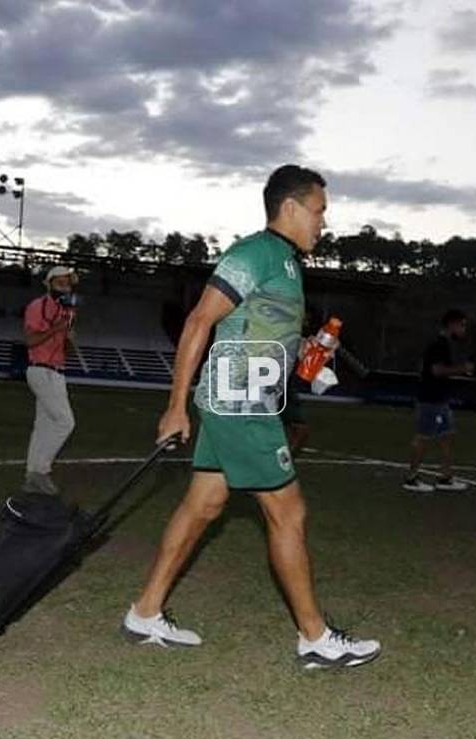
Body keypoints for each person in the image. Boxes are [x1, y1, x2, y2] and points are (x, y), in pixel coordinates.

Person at [122, 164, 381, 670]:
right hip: (239, 400)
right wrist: (175, 406)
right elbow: (200, 319)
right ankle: (315, 637)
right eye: (319, 211)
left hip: (243, 398)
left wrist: (307, 349)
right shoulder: (254, 253)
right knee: (289, 512)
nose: (323, 223)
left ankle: (145, 613)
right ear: (290, 208)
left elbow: (262, 330)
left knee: (204, 505)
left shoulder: (286, 264)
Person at [21, 266, 78, 495]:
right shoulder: (38, 306)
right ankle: (40, 471)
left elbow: (67, 350)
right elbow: (30, 341)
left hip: (57, 371)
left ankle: (32, 476)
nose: (65, 287)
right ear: (49, 284)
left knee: (44, 426)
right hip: (41, 370)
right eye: (60, 283)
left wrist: (69, 338)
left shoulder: (68, 311)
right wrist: (57, 328)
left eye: (68, 283)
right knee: (65, 422)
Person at [402, 309, 473, 493]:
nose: (464, 330)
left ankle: (445, 477)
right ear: (452, 325)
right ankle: (411, 478)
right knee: (423, 437)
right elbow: (437, 370)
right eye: (462, 325)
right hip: (430, 399)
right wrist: (462, 369)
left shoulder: (443, 344)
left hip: (439, 399)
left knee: (447, 436)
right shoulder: (439, 345)